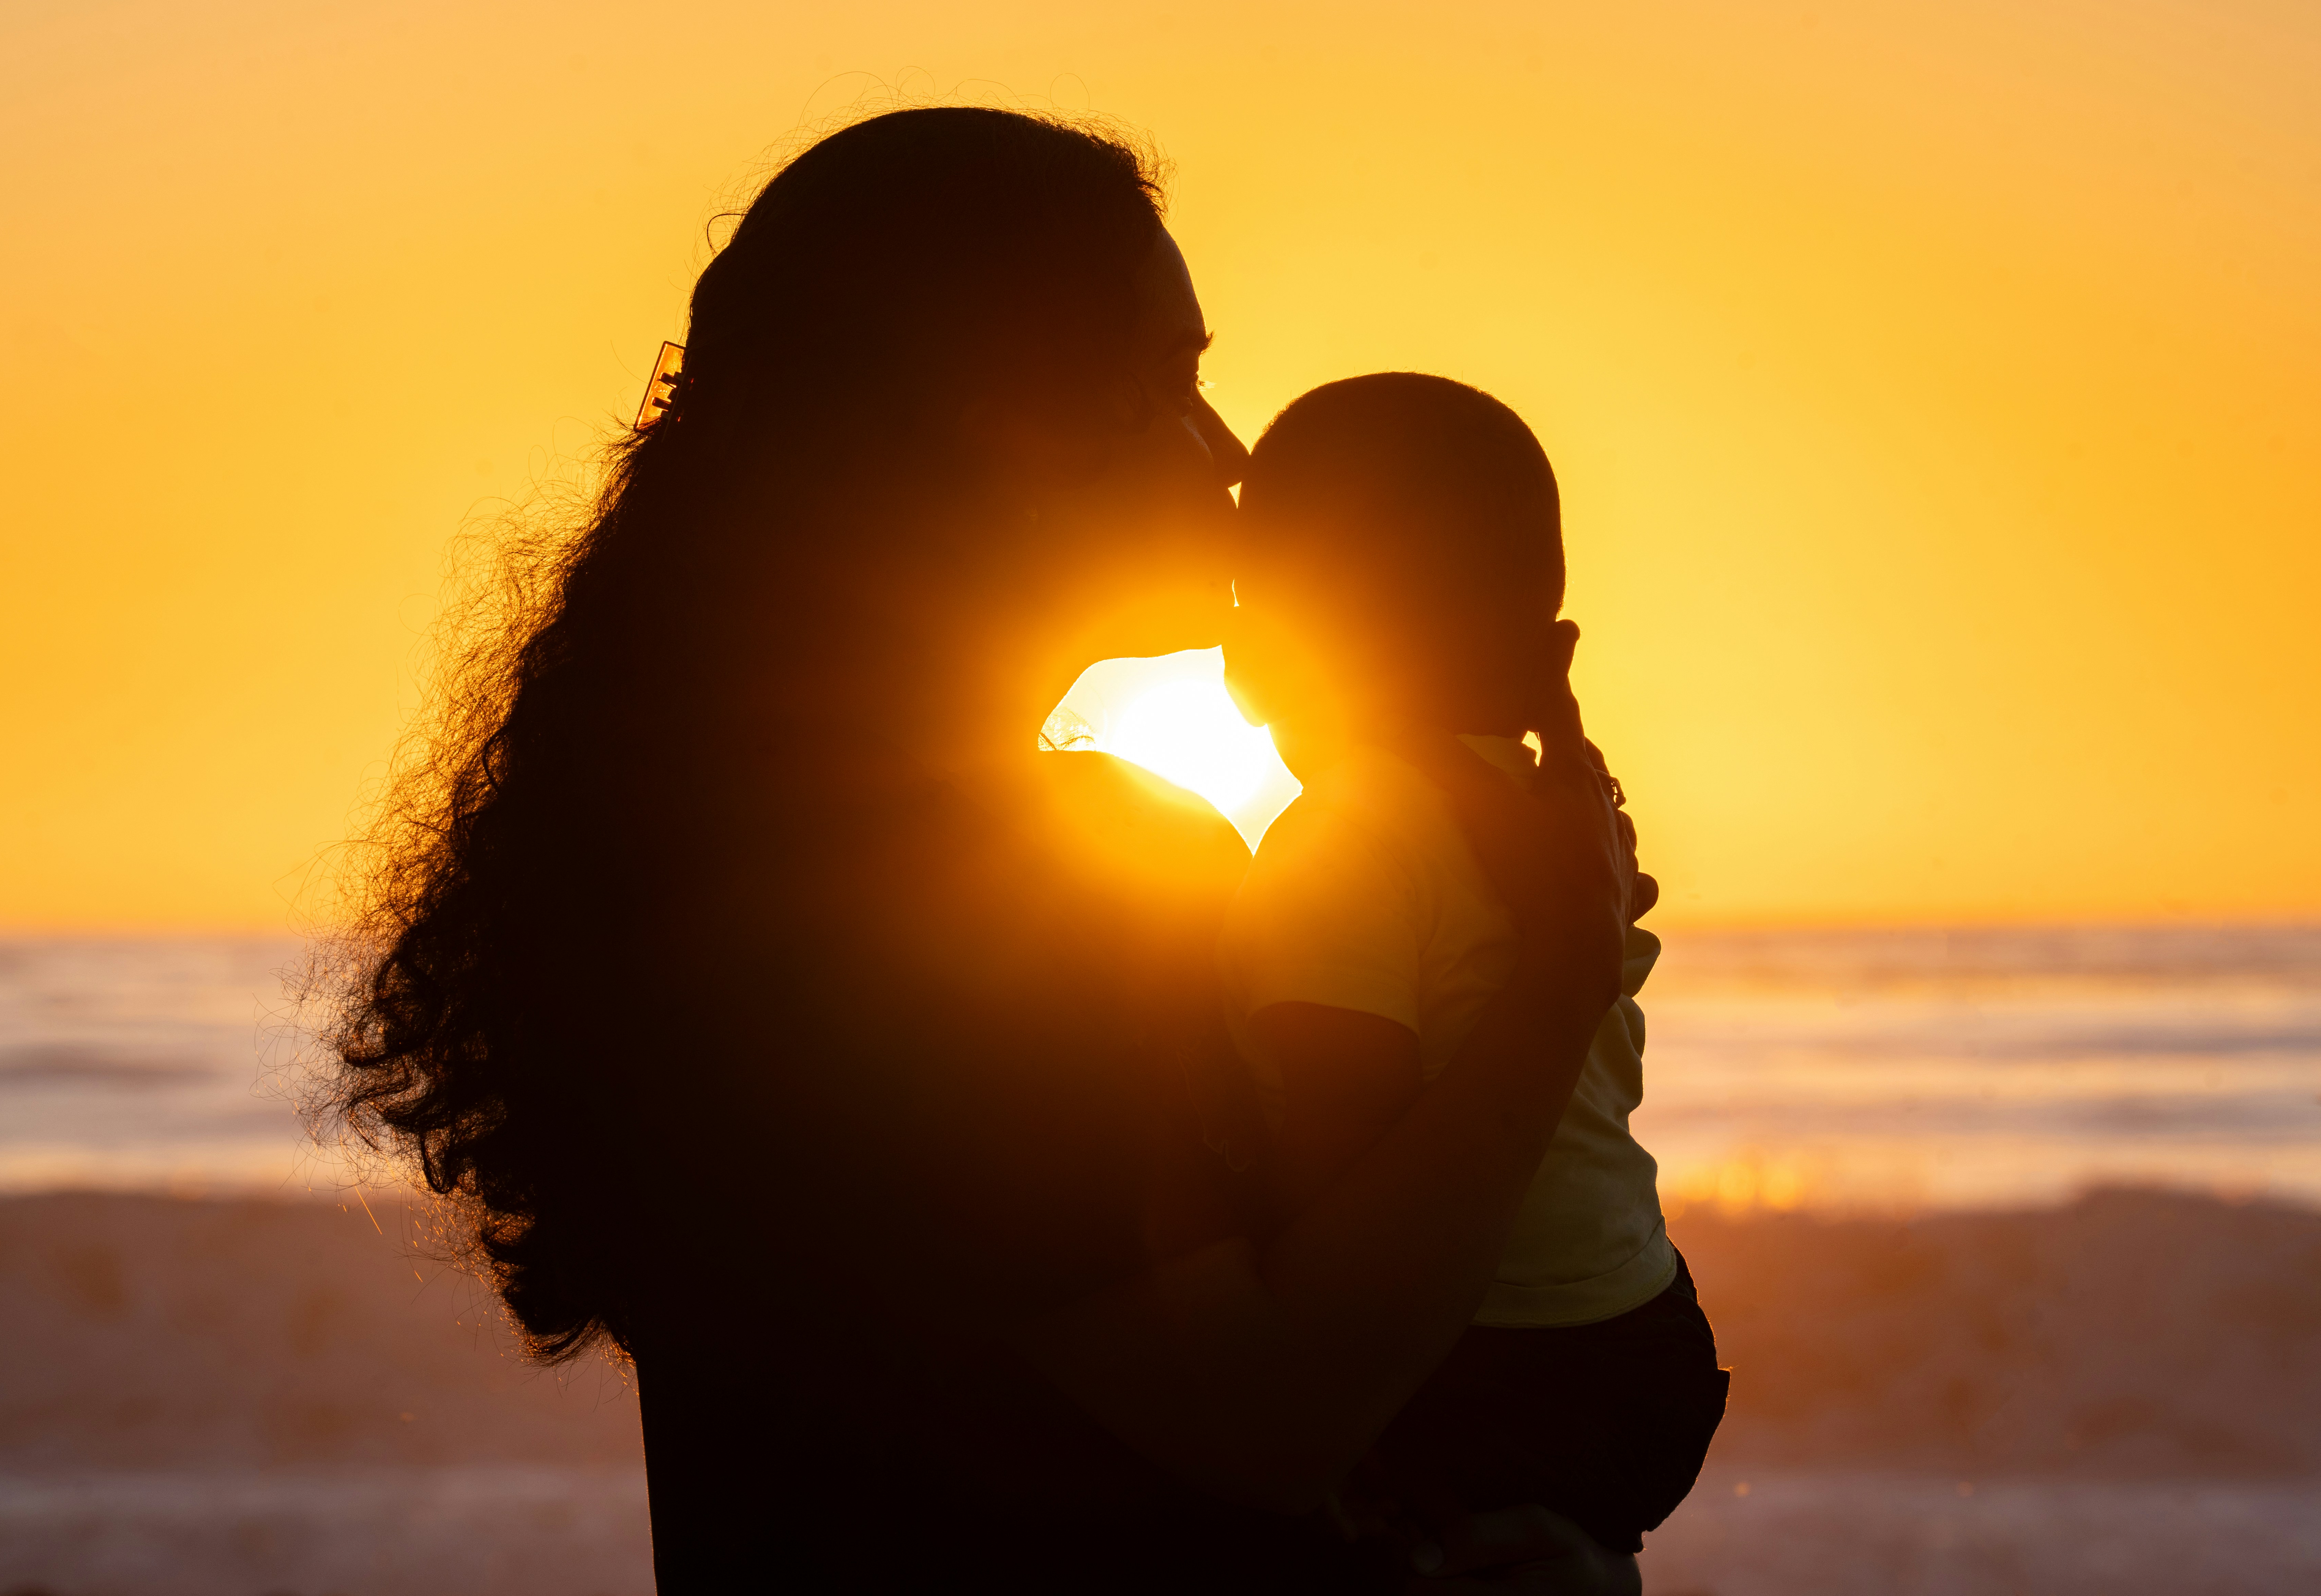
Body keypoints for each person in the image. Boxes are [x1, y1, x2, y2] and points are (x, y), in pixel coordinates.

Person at [317, 108, 1639, 1591]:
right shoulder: (955, 896)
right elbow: (1273, 1417)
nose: (1231, 462)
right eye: (1158, 389)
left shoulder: (710, 842)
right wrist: (1550, 986)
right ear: (938, 439)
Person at [1220, 374, 1729, 1588]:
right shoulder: (1570, 832)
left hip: (1492, 1369)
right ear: (1544, 653)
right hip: (1643, 1332)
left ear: (1252, 661)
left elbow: (1350, 1182)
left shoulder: (1342, 844)